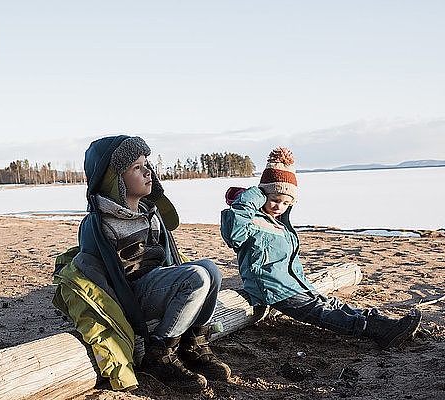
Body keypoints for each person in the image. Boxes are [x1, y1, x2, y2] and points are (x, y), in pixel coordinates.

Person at [54, 135, 230, 393]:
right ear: (114, 180)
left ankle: (194, 343)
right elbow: (99, 282)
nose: (148, 171)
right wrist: (134, 332)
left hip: (158, 282)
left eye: (146, 163)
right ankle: (159, 353)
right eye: (136, 167)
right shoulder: (100, 224)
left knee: (211, 270)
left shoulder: (150, 212)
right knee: (196, 277)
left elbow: (170, 257)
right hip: (133, 294)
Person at [220, 147, 421, 349]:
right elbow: (234, 236)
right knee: (322, 312)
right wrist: (252, 196)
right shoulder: (250, 219)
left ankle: (387, 324)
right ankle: (380, 332)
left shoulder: (279, 222)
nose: (279, 207)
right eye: (274, 200)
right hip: (272, 288)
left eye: (286, 203)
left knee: (332, 304)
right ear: (262, 196)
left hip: (294, 283)